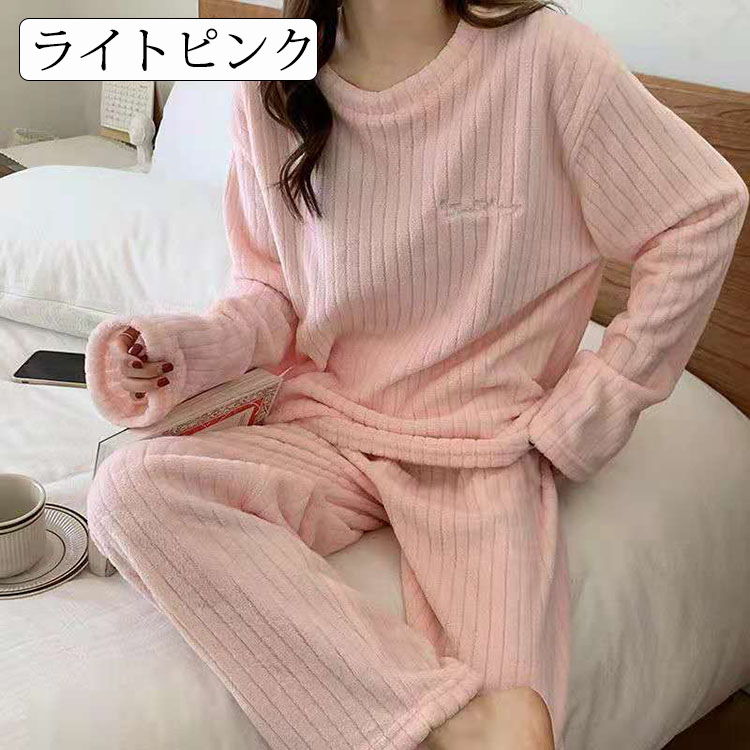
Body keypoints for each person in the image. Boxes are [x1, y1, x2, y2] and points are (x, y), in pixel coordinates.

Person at [84, 1, 749, 748]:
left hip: (480, 451)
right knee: (132, 490)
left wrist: (593, 408)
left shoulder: (548, 59)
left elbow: (702, 214)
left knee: (519, 722)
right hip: (326, 426)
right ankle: (435, 718)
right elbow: (271, 289)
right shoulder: (270, 78)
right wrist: (193, 348)